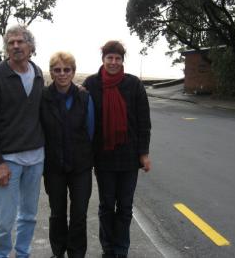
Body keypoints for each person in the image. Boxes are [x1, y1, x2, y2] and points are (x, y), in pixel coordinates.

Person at [0, 25, 44, 258]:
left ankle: (23, 253)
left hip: (36, 159)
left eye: (20, 42)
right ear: (6, 48)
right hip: (8, 161)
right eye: (11, 43)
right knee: (4, 220)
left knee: (29, 215)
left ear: (31, 47)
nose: (15, 46)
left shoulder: (37, 74)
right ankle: (1, 255)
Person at [83, 41, 151, 258]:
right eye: (109, 58)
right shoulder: (91, 84)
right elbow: (80, 116)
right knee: (106, 206)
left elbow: (143, 122)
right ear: (103, 59)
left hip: (129, 158)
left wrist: (144, 154)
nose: (113, 62)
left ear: (122, 61)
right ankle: (108, 249)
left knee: (124, 207)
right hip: (103, 158)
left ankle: (121, 250)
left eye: (117, 58)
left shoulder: (134, 85)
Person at [40, 51, 95, 258]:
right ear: (52, 72)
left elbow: (90, 130)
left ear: (73, 72)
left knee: (79, 214)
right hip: (53, 166)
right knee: (57, 214)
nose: (62, 74)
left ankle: (76, 253)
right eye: (57, 70)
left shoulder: (84, 97)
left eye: (66, 70)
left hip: (80, 166)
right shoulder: (43, 97)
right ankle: (58, 251)